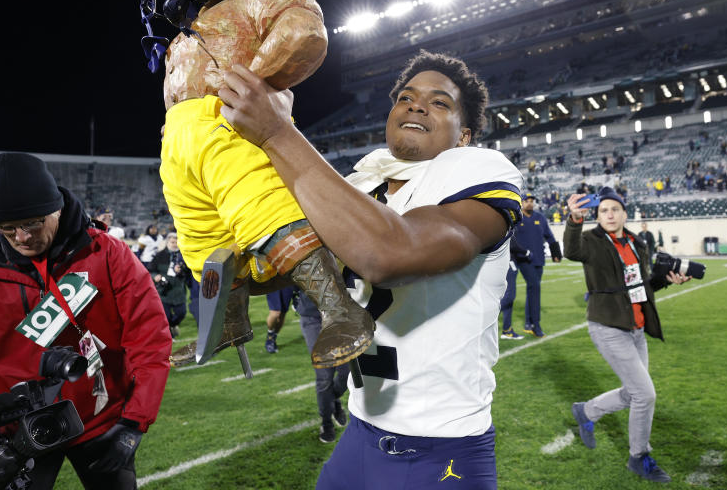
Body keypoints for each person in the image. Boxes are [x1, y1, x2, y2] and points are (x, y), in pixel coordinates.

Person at [220, 50, 524, 489]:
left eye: (440, 103)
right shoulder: (362, 185)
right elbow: (285, 268)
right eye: (406, 97)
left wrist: (276, 132)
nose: (417, 105)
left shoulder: (476, 168)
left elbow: (388, 255)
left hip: (440, 450)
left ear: (464, 137)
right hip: (361, 433)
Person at [139, 0, 373, 368]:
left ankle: (340, 312)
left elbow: (302, 35)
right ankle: (227, 320)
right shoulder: (202, 15)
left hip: (225, 125)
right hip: (182, 142)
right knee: (202, 240)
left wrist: (253, 86)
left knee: (264, 212)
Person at [0, 153, 171, 489]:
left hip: (101, 420)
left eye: (33, 222)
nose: (22, 237)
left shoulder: (108, 255)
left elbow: (150, 340)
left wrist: (134, 422)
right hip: (17, 429)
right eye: (6, 228)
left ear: (57, 207)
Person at [563, 187, 691, 483]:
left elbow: (641, 285)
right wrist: (573, 219)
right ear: (597, 215)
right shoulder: (591, 240)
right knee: (644, 394)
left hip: (636, 327)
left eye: (614, 209)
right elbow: (571, 251)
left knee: (634, 392)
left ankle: (586, 411)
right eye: (603, 210)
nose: (609, 214)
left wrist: (667, 280)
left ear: (624, 212)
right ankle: (639, 456)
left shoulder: (637, 242)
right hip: (607, 326)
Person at [499, 191, 561, 339]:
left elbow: (550, 237)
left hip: (536, 259)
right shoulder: (515, 217)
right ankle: (535, 325)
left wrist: (556, 253)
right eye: (527, 200)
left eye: (532, 200)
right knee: (524, 290)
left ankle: (529, 323)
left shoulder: (540, 218)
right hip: (518, 258)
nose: (530, 203)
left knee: (533, 291)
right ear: (521, 202)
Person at [295, 291, 350, 443]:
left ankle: (332, 399)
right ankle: (326, 422)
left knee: (347, 372)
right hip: (312, 317)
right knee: (324, 376)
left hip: (340, 316)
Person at [151, 232, 189, 338]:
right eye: (172, 242)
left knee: (181, 314)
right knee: (165, 317)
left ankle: (173, 326)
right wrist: (155, 276)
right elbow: (149, 270)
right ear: (167, 242)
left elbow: (189, 273)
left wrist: (181, 270)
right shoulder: (159, 255)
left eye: (177, 242)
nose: (175, 244)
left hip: (179, 292)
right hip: (163, 293)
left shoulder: (184, 256)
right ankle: (170, 337)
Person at [265, 285, 296, 354]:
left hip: (286, 282)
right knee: (275, 313)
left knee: (283, 313)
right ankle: (270, 336)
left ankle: (273, 337)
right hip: (272, 280)